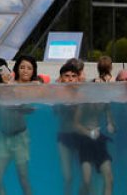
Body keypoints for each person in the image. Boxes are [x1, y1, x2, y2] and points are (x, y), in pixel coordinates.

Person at [0, 58, 34, 195]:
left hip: (20, 137)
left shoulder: (18, 87)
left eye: (5, 70)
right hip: (3, 137)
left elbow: (30, 110)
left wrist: (12, 89)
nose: (3, 74)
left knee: (23, 178)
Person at [75, 80, 115, 195]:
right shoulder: (83, 102)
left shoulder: (104, 102)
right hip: (85, 139)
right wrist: (89, 133)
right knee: (87, 181)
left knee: (109, 179)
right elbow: (75, 124)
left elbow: (110, 120)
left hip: (99, 139)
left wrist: (110, 124)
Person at [55, 60, 85, 195]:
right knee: (67, 177)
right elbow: (55, 112)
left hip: (81, 137)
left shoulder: (83, 94)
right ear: (61, 78)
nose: (70, 79)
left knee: (85, 176)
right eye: (67, 76)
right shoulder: (57, 94)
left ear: (78, 78)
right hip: (65, 136)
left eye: (73, 76)